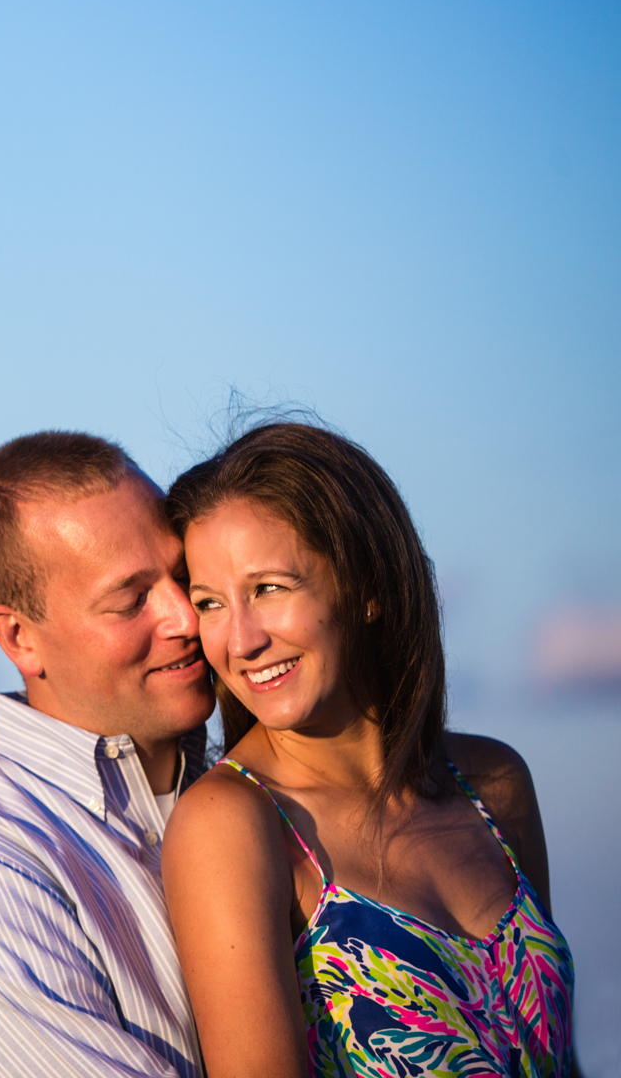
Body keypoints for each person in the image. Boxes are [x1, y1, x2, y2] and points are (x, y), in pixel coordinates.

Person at [161, 422, 577, 1078]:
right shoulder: (233, 823)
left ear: (368, 589)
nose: (240, 641)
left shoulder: (494, 782)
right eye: (210, 603)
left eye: (268, 589)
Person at [0, 430, 215, 1078]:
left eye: (185, 577)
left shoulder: (259, 795)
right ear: (19, 637)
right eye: (132, 599)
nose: (184, 617)